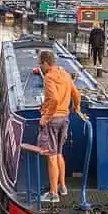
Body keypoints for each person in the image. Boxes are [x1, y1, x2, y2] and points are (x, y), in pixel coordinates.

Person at [36, 50, 83, 204]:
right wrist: (77, 108)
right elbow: (76, 93)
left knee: (51, 156)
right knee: (59, 153)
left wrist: (46, 117)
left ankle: (53, 193)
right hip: (65, 119)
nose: (40, 68)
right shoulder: (65, 74)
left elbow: (54, 98)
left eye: (40, 64)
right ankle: (63, 187)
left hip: (53, 120)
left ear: (45, 63)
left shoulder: (49, 77)